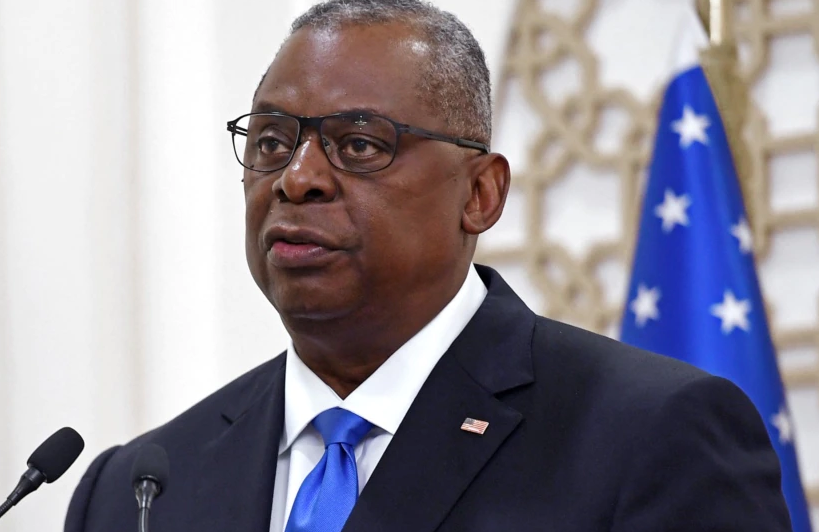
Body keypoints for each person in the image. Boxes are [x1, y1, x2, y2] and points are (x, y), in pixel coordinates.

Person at [64, 1, 792, 530]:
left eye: (359, 144)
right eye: (271, 142)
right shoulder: (137, 491)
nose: (296, 178)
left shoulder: (650, 437)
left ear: (479, 195)